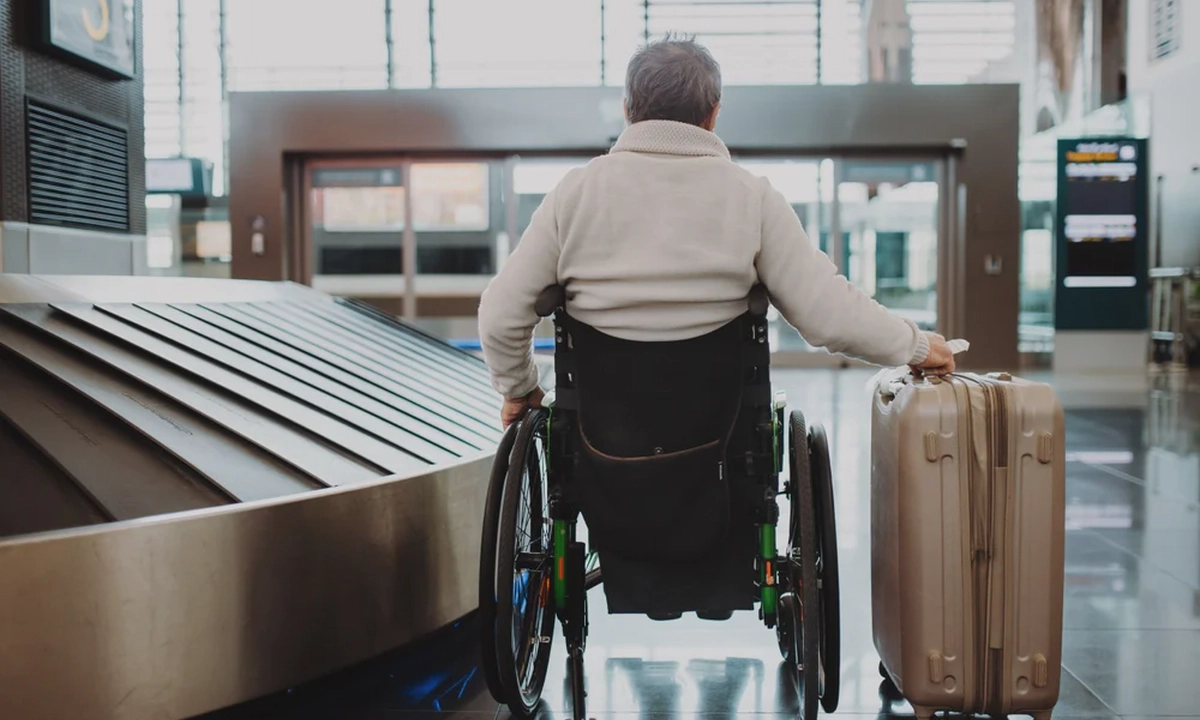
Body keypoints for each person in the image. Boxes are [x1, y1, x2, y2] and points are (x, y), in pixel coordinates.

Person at [478, 36, 956, 427]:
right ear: (713, 113)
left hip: (599, 451)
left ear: (628, 110)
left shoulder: (574, 194)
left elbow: (501, 314)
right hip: (720, 452)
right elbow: (827, 314)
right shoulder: (753, 198)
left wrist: (520, 389)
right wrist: (913, 344)